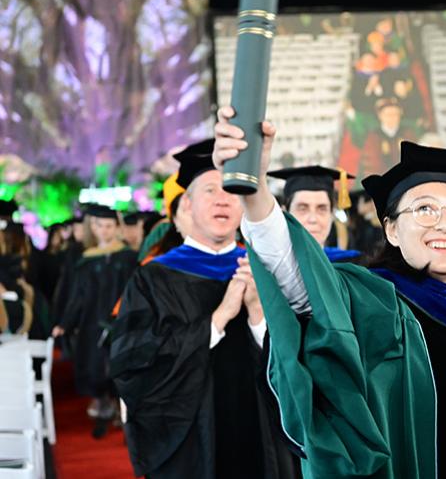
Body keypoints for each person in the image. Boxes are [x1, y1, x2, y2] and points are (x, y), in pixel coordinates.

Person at [213, 106, 446, 478]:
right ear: (390, 230)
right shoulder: (371, 302)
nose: (445, 224)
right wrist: (255, 189)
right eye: (424, 209)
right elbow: (300, 280)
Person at [109, 139, 300, 479]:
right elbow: (133, 364)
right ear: (187, 205)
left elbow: (295, 365)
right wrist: (217, 319)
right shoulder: (154, 277)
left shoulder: (263, 271)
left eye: (231, 190)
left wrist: (258, 314)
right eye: (210, 190)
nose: (223, 199)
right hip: (191, 446)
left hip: (258, 432)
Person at [52, 203, 138, 436]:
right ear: (94, 228)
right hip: (93, 321)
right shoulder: (86, 260)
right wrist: (65, 323)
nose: (105, 230)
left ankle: (122, 412)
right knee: (96, 366)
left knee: (120, 366)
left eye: (109, 225)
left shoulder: (129, 257)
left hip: (121, 320)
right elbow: (77, 296)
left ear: (116, 228)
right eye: (100, 226)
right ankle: (102, 408)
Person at [267, 165, 360, 263]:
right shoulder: (261, 265)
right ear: (285, 213)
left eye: (322, 209)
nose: (313, 219)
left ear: (332, 214)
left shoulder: (352, 264)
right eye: (302, 209)